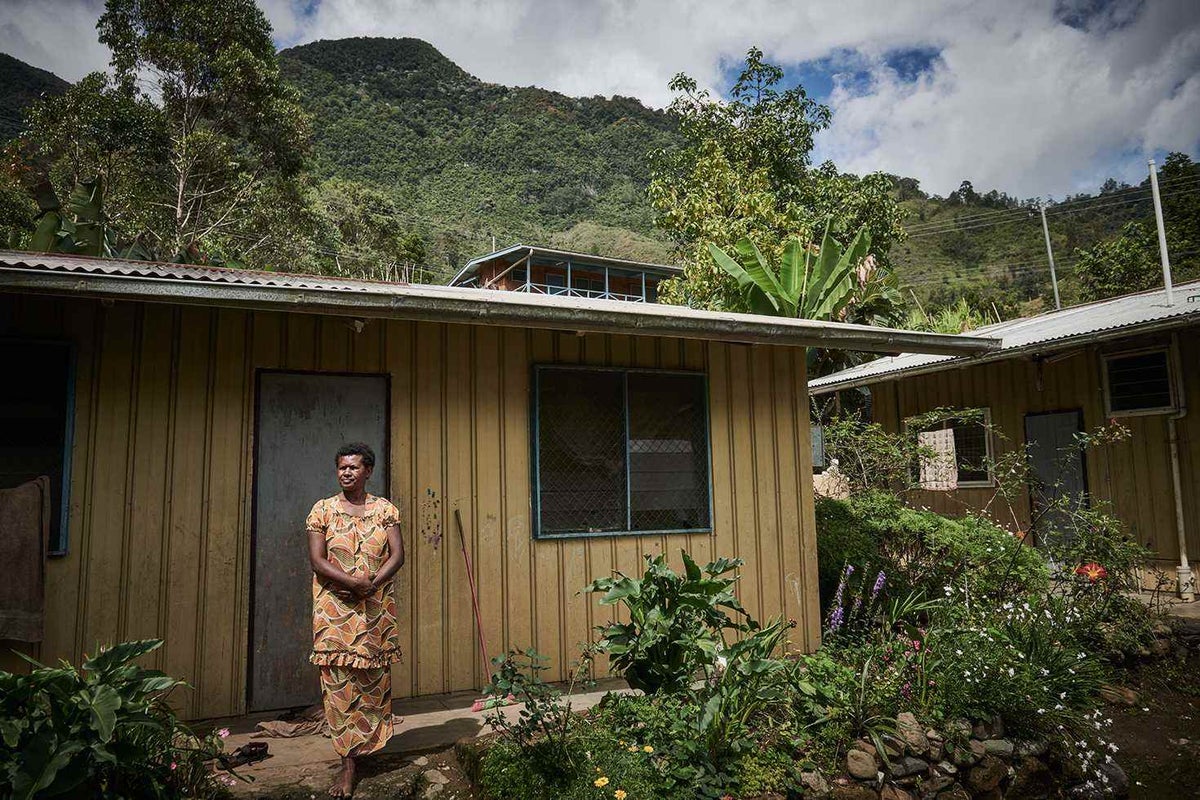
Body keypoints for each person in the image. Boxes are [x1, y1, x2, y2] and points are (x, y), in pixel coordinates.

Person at [305, 442, 405, 798]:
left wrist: (371, 585)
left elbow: (398, 555)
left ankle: (369, 748)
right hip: (334, 611)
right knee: (338, 686)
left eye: (353, 467)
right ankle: (347, 765)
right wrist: (351, 583)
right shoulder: (323, 510)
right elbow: (318, 560)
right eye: (341, 467)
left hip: (375, 610)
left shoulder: (385, 510)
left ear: (368, 471)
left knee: (373, 682)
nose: (346, 472)